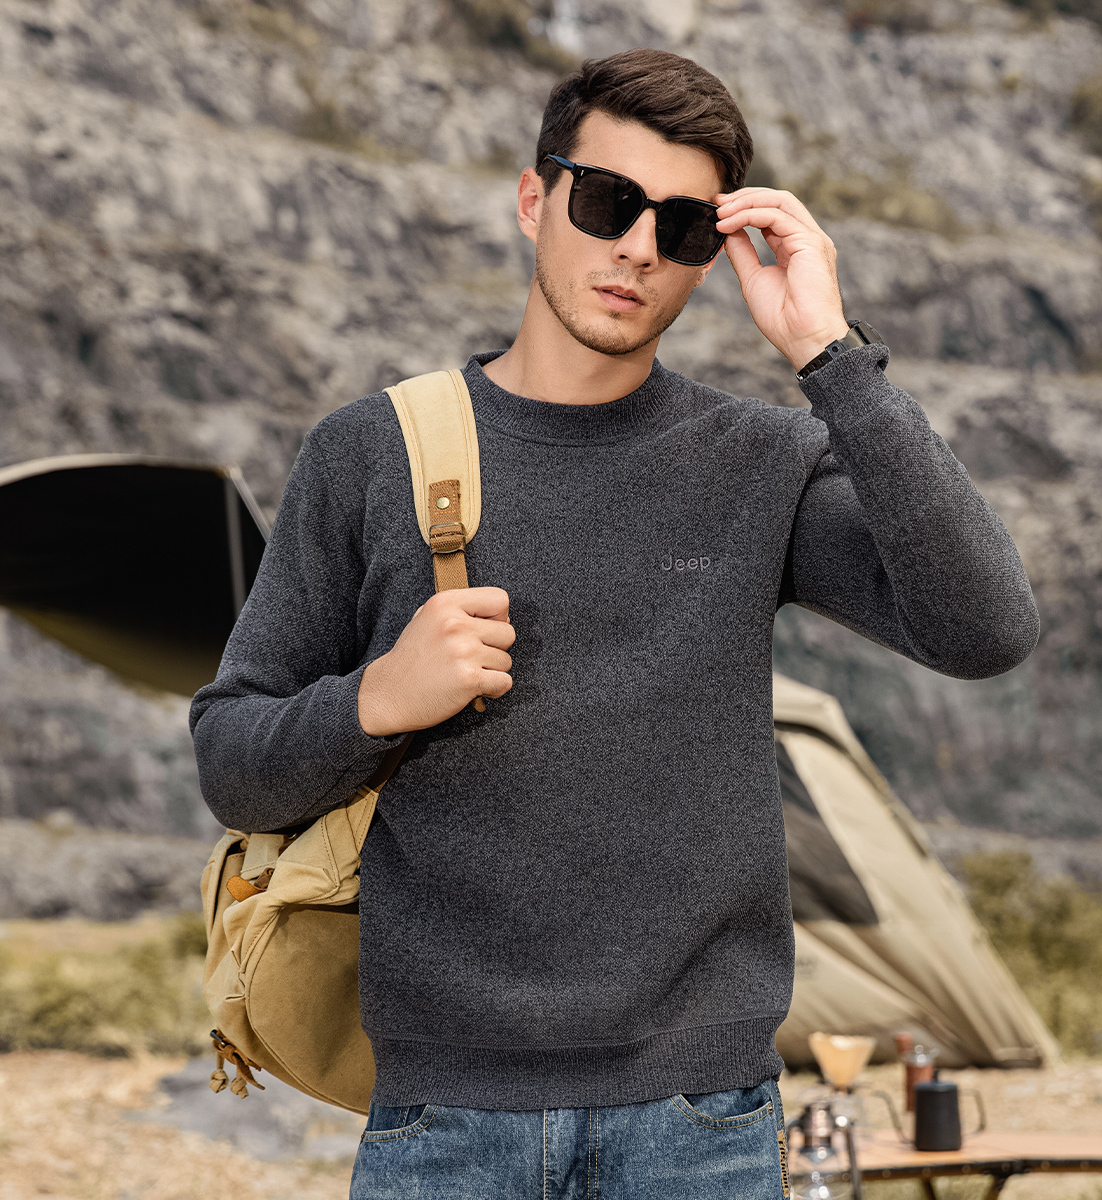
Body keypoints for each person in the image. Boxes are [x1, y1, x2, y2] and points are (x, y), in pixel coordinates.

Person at [190, 47, 1040, 1200]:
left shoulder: (763, 462)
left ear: (710, 257)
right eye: (607, 202)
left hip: (701, 1127)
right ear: (534, 199)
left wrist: (831, 356)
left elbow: (987, 628)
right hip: (444, 1128)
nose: (638, 246)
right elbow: (232, 762)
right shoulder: (369, 453)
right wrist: (376, 700)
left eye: (683, 227)